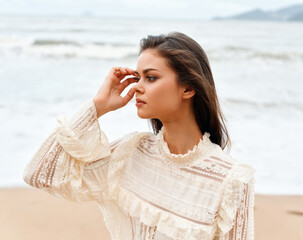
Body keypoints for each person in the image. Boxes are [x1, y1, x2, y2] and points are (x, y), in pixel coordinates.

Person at [23, 31, 256, 240]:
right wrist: (97, 107)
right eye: (137, 78)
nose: (136, 87)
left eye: (151, 77)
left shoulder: (231, 181)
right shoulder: (129, 155)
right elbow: (38, 174)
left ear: (188, 88)